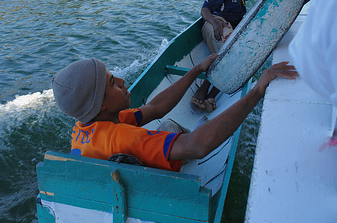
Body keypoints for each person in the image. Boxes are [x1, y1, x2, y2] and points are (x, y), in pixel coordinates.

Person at [52, 56, 297, 172]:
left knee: (165, 119)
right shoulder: (123, 137)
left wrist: (195, 71)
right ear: (101, 105)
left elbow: (155, 108)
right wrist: (257, 90)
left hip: (116, 191)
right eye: (113, 83)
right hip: (153, 197)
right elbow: (198, 145)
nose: (123, 80)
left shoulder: (87, 127)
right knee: (173, 128)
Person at [192, 0, 280, 111]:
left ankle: (211, 96)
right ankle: (203, 89)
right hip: (216, 25)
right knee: (231, 55)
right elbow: (204, 10)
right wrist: (214, 23)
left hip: (230, 32)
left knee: (237, 59)